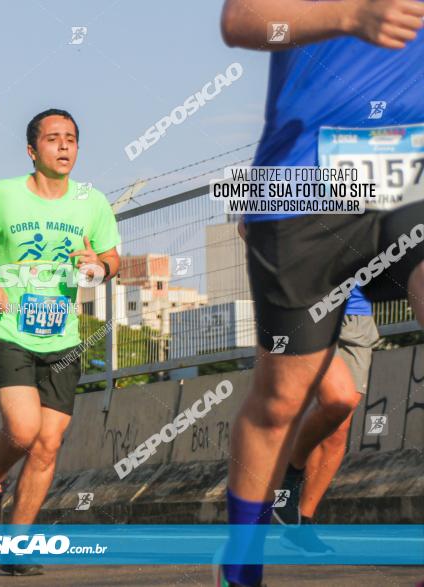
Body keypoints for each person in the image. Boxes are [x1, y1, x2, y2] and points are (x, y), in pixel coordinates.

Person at [219, 1, 424, 586]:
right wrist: (351, 16)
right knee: (281, 400)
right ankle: (241, 559)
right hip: (308, 178)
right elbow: (242, 22)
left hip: (414, 170)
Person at [0, 108, 120, 576]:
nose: (64, 146)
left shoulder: (91, 202)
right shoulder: (1, 196)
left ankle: (17, 545)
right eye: (53, 139)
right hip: (8, 328)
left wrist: (98, 269)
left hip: (62, 335)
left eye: (71, 139)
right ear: (32, 150)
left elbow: (111, 257)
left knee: (47, 445)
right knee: (22, 431)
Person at [274, 287, 379, 554]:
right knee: (337, 400)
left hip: (358, 314)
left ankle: (301, 525)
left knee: (339, 427)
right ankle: (288, 472)